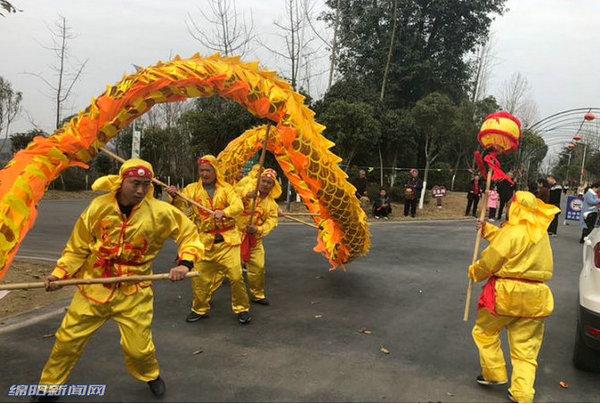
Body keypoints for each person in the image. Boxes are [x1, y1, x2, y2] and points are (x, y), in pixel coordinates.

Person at [37, 159, 204, 399]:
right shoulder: (98, 207)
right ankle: (48, 387)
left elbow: (190, 235)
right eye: (135, 183)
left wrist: (185, 263)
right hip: (93, 287)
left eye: (146, 185)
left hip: (134, 290)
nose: (140, 190)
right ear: (122, 181)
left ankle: (151, 374)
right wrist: (59, 274)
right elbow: (77, 248)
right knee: (66, 340)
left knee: (139, 349)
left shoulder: (161, 212)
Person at [469, 191, 560, 403]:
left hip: (506, 294)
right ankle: (522, 393)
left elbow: (494, 258)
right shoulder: (540, 233)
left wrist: (475, 272)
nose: (507, 205)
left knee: (484, 332)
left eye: (510, 203)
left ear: (516, 207)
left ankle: (493, 373)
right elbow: (513, 243)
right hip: (536, 298)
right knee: (526, 349)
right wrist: (487, 230)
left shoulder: (513, 232)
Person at [166, 155, 251, 324]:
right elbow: (181, 210)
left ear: (215, 171)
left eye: (208, 170)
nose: (204, 174)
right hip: (204, 241)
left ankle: (242, 309)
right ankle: (199, 309)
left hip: (228, 241)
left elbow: (238, 206)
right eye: (202, 170)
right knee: (200, 279)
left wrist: (224, 212)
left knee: (236, 276)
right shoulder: (191, 190)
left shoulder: (227, 188)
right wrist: (175, 197)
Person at [229, 168, 281, 305]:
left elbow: (272, 222)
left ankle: (257, 294)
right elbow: (234, 200)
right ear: (259, 181)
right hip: (235, 236)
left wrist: (258, 229)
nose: (265, 184)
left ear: (273, 186)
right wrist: (246, 197)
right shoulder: (248, 192)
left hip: (254, 240)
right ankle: (206, 296)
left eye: (269, 182)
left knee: (259, 266)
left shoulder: (272, 205)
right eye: (263, 181)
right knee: (225, 268)